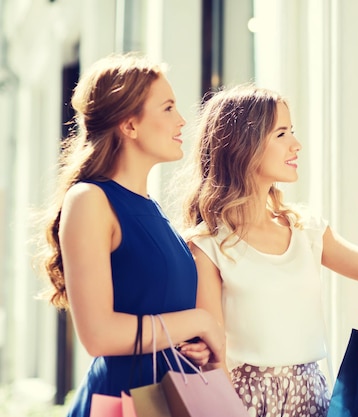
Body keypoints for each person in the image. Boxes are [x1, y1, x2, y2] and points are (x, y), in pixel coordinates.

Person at [179, 83, 358, 417]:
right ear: (244, 145)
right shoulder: (208, 243)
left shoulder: (307, 230)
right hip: (245, 402)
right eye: (281, 134)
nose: (295, 145)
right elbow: (215, 358)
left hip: (312, 396)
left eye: (293, 132)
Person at [37, 52, 224, 416]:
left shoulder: (153, 209)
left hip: (171, 397)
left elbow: (159, 315)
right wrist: (198, 322)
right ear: (130, 125)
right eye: (168, 108)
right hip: (122, 401)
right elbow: (98, 335)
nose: (182, 120)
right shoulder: (90, 200)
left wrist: (191, 342)